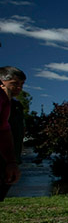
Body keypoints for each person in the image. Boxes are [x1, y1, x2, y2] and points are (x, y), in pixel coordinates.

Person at [0, 66, 25, 200]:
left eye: (21, 84)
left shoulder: (16, 106)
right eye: (14, 84)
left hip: (10, 158)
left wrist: (13, 161)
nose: (19, 88)